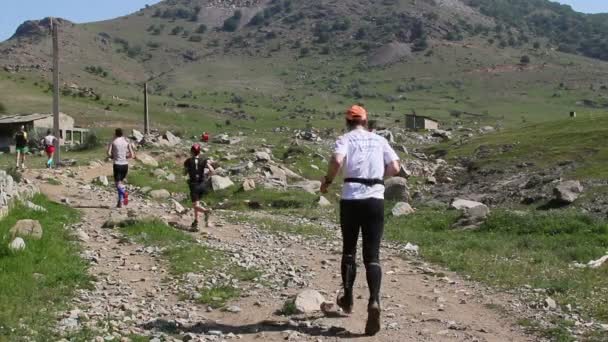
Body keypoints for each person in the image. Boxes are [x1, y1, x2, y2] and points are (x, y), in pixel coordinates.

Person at [321, 105, 400, 336]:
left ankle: (347, 297)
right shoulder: (379, 140)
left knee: (349, 250)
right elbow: (395, 167)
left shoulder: (345, 139)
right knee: (372, 256)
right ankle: (374, 300)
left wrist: (327, 181)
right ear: (366, 121)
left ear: (348, 122)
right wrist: (377, 178)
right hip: (374, 197)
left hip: (351, 197)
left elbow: (337, 161)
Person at [184, 143, 214, 231]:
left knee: (195, 205)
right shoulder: (204, 160)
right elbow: (212, 170)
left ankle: (206, 212)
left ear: (191, 151)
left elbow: (185, 172)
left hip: (194, 185)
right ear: (199, 152)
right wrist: (206, 176)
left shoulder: (188, 161)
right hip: (202, 184)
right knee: (197, 204)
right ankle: (196, 221)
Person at [107, 128, 135, 208]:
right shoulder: (127, 141)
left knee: (118, 184)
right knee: (120, 183)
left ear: (115, 133)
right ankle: (120, 203)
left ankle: (124, 193)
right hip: (125, 165)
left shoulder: (113, 141)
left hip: (117, 164)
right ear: (122, 134)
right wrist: (125, 156)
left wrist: (113, 156)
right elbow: (132, 155)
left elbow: (108, 153)